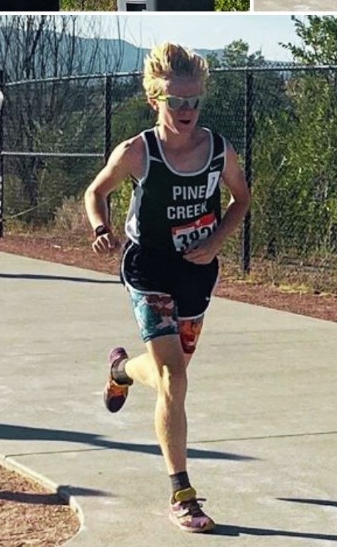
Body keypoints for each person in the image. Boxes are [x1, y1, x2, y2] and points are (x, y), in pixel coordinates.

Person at [84, 42, 250, 533]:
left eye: (194, 100)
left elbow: (241, 199)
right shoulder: (137, 151)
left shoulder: (218, 150)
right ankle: (182, 493)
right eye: (176, 101)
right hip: (149, 268)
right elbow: (97, 191)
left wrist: (217, 239)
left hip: (197, 272)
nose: (186, 111)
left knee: (169, 377)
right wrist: (100, 228)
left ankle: (121, 370)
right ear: (154, 98)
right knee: (175, 381)